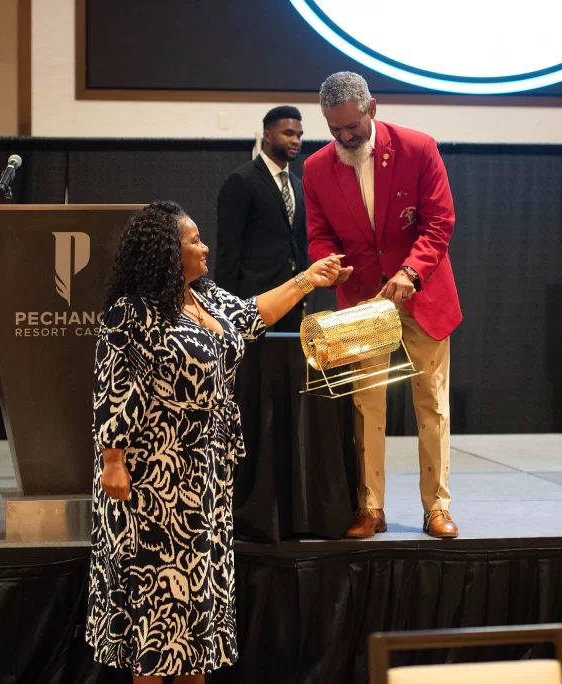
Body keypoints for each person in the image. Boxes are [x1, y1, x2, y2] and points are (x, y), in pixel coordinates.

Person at [88, 200, 342, 682]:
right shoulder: (133, 312)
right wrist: (112, 460)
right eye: (194, 241)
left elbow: (253, 314)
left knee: (197, 613)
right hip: (152, 481)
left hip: (204, 475)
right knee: (155, 616)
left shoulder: (207, 297)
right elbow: (112, 388)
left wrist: (309, 279)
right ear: (168, 252)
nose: (205, 248)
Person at [303, 71, 463, 539]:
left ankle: (437, 507)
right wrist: (328, 264)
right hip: (361, 299)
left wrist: (410, 272)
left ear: (372, 108)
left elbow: (439, 223)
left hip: (422, 292)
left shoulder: (419, 148)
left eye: (352, 126)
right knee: (365, 403)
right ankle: (369, 507)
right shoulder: (315, 168)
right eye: (334, 129)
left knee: (431, 403)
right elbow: (318, 235)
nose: (344, 137)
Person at [215, 105, 308, 331]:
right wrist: (224, 308)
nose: (295, 140)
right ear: (267, 135)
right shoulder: (242, 180)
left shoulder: (297, 185)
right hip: (252, 302)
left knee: (290, 355)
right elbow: (228, 249)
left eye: (299, 135)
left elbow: (296, 243)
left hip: (292, 300)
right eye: (288, 133)